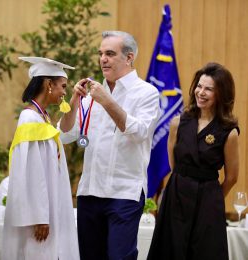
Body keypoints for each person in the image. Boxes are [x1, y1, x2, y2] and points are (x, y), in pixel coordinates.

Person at [59, 31, 160, 259]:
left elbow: (139, 132)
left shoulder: (147, 93)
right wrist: (74, 103)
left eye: (110, 54)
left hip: (124, 193)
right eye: (101, 53)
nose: (103, 59)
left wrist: (107, 101)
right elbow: (65, 134)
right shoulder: (90, 95)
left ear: (129, 57)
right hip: (89, 191)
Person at [147, 62, 239, 260]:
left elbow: (232, 177)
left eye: (208, 89)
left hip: (208, 200)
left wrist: (212, 199)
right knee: (170, 249)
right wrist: (182, 184)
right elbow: (173, 162)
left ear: (221, 94)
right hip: (176, 195)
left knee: (205, 251)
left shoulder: (228, 131)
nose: (201, 92)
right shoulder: (178, 122)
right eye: (199, 86)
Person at [1, 57, 80, 260]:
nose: (64, 92)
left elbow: (64, 132)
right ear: (48, 84)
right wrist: (40, 217)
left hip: (47, 210)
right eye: (63, 86)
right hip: (38, 218)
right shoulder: (30, 119)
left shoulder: (42, 117)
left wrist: (75, 101)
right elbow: (31, 173)